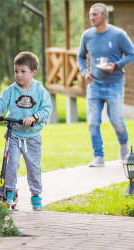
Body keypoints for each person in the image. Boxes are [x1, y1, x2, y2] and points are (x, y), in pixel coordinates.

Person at [0, 52, 52, 210]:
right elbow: (0, 104)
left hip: (32, 136)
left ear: (33, 72)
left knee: (33, 167)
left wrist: (34, 117)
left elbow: (46, 110)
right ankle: (10, 191)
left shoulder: (40, 91)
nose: (18, 75)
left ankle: (36, 194)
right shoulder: (10, 90)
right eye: (16, 71)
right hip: (14, 134)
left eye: (23, 71)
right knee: (12, 164)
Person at [77, 3, 134, 167]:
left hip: (114, 85)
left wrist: (116, 65)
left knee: (116, 120)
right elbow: (80, 57)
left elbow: (131, 53)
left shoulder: (118, 34)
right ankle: (98, 157)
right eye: (90, 14)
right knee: (93, 122)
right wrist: (84, 72)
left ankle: (124, 147)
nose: (91, 17)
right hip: (94, 85)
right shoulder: (86, 36)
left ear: (104, 16)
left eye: (94, 14)